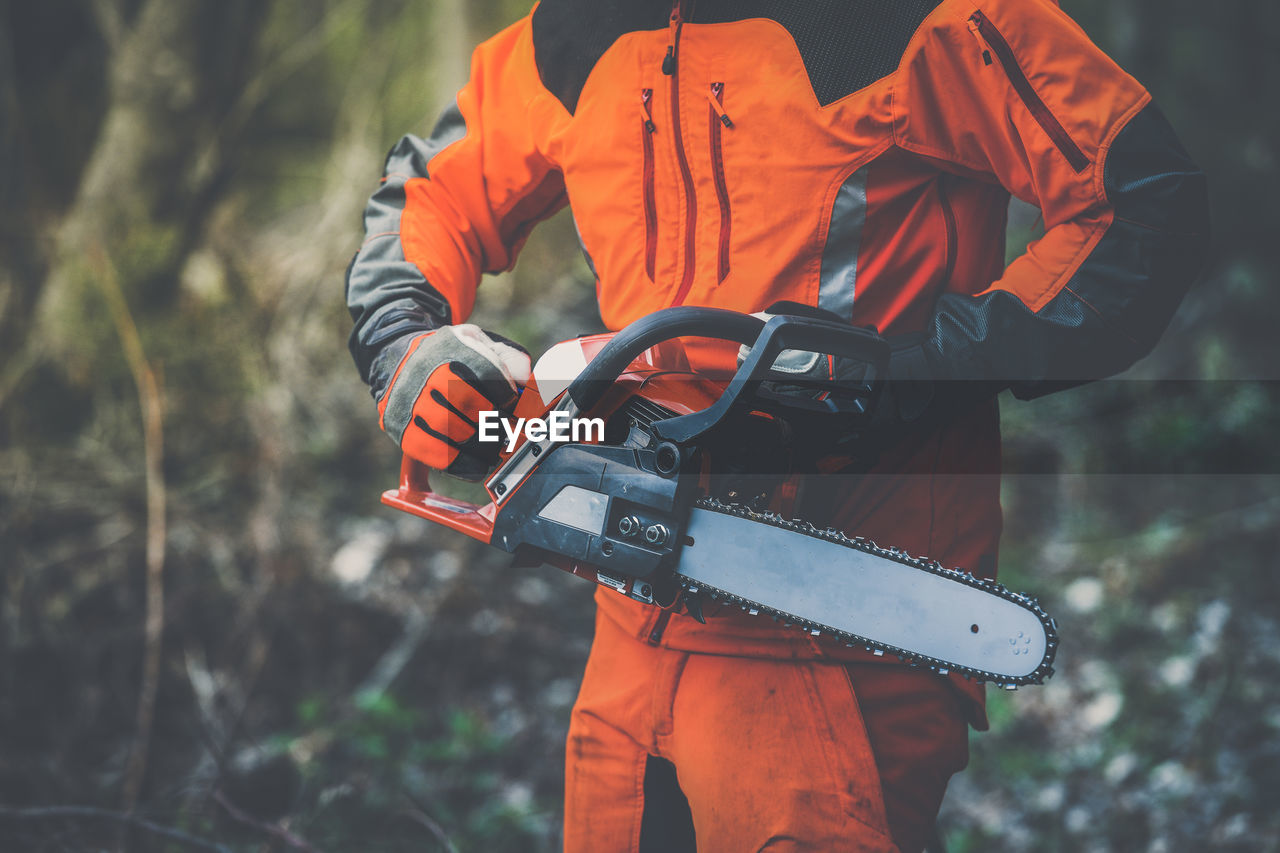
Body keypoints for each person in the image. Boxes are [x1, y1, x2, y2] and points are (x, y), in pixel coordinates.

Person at [345, 1, 1209, 849]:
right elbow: (432, 190)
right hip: (630, 618)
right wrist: (404, 338)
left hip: (844, 635)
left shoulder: (922, 19)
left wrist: (916, 373)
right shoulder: (575, 30)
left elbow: (1139, 201)